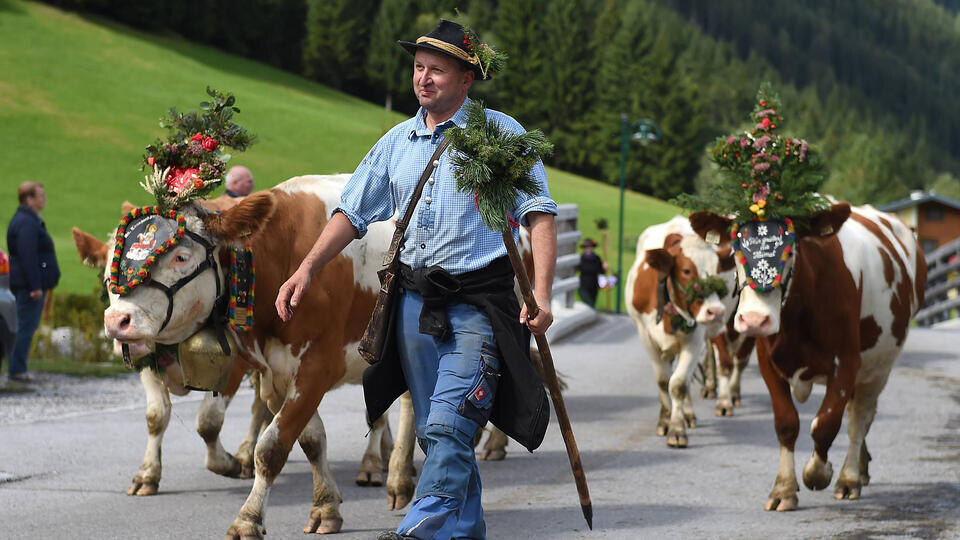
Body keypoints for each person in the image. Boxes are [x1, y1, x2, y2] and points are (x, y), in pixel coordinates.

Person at [275, 19, 558, 540]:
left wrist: (541, 294)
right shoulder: (396, 142)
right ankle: (464, 531)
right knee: (435, 432)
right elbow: (351, 212)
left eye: (438, 71)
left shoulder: (500, 136)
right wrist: (307, 267)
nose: (424, 79)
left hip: (478, 302)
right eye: (419, 68)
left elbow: (539, 212)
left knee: (453, 422)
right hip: (411, 303)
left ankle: (417, 530)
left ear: (467, 79)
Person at [6, 182, 60, 382]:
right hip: (29, 286)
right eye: (40, 195)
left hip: (26, 283)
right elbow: (28, 256)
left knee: (23, 325)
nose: (44, 198)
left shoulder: (26, 219)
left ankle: (16, 367)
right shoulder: (27, 223)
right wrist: (36, 286)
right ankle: (17, 370)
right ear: (29, 199)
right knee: (25, 326)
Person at [575, 238, 606, 308]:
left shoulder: (597, 258)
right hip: (583, 286)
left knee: (592, 304)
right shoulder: (581, 258)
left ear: (592, 247)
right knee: (590, 305)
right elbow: (576, 269)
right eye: (586, 247)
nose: (588, 248)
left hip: (594, 286)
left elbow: (601, 271)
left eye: (590, 247)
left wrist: (604, 268)